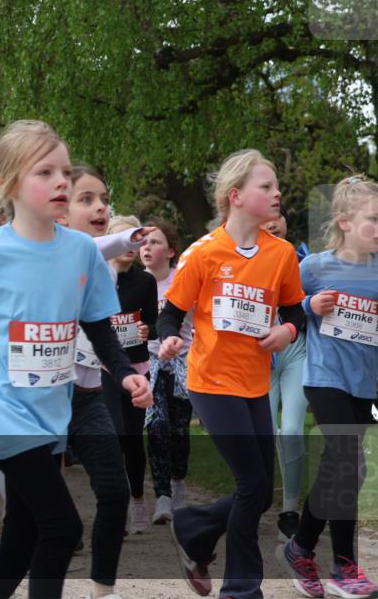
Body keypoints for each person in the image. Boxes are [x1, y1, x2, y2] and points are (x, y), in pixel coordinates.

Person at [0, 120, 150, 599]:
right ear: (9, 184)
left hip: (50, 412)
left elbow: (97, 324)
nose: (62, 181)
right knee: (62, 528)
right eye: (45, 172)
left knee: (20, 540)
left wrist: (123, 375)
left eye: (64, 170)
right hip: (0, 413)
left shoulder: (81, 251)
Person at [158, 149, 305, 599]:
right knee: (254, 484)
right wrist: (169, 339)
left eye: (276, 185)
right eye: (267, 186)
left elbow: (294, 311)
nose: (277, 192)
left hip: (254, 383)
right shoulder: (203, 254)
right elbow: (171, 313)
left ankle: (193, 527)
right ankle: (241, 590)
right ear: (236, 196)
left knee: (259, 494)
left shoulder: (281, 254)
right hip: (210, 382)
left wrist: (285, 330)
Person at [277, 175, 378, 599]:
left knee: (349, 471)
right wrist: (307, 304)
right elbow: (283, 306)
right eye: (374, 219)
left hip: (365, 382)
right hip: (324, 378)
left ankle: (301, 546)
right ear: (344, 222)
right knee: (345, 455)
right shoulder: (315, 267)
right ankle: (344, 565)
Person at [104, 215, 158, 533]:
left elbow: (152, 324)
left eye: (135, 238)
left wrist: (145, 329)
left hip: (137, 368)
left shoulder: (145, 281)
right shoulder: (97, 279)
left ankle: (137, 497)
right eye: (123, 238)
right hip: (105, 369)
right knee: (114, 433)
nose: (130, 245)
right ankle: (117, 506)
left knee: (133, 439)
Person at [260, 204, 311, 541]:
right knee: (261, 435)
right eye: (265, 217)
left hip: (295, 353)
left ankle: (290, 510)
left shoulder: (305, 262)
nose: (272, 222)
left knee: (291, 430)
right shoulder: (242, 259)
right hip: (256, 357)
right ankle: (253, 503)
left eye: (277, 216)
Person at [140, 218, 194, 524]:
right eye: (144, 242)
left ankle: (178, 486)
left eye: (155, 242)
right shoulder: (137, 283)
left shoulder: (183, 279)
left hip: (183, 362)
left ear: (171, 251)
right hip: (150, 364)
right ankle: (162, 497)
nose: (147, 247)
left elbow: (200, 318)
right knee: (157, 425)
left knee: (179, 431)